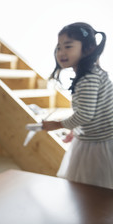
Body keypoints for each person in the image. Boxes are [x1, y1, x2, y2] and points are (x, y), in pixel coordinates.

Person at [42, 22, 113, 189]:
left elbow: (85, 115)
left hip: (100, 144)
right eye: (59, 47)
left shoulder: (87, 78)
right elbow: (93, 112)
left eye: (68, 46)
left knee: (93, 191)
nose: (61, 52)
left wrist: (57, 124)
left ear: (88, 49)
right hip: (94, 138)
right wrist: (76, 130)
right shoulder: (92, 74)